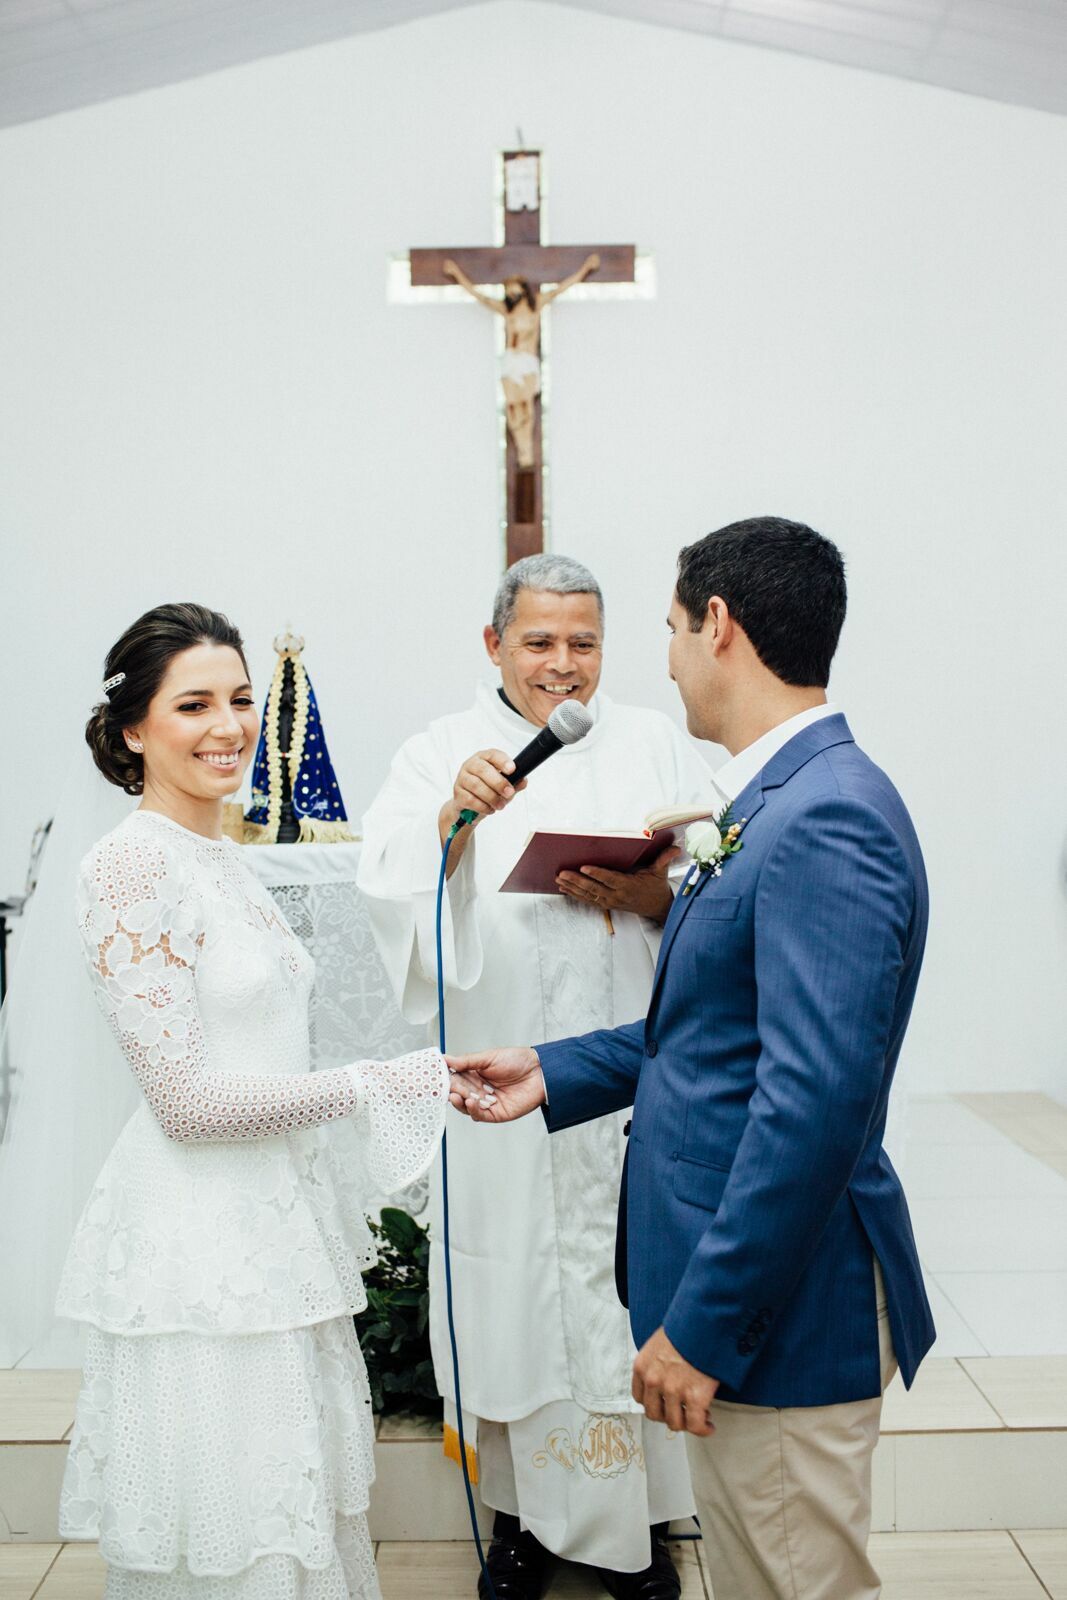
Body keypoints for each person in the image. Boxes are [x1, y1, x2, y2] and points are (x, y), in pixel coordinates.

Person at [448, 518, 937, 1600]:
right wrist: (555, 1068)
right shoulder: (769, 800)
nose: (664, 658)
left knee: (791, 1581)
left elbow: (807, 1108)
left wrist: (704, 1325)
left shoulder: (821, 818)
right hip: (758, 1301)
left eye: (669, 628)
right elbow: (719, 1031)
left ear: (717, 626)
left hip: (777, 1316)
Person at [60, 602, 465, 1600]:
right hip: (200, 1251)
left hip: (271, 1225)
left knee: (289, 1516)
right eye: (192, 704)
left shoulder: (223, 857)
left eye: (240, 699)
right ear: (132, 731)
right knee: (230, 1527)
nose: (229, 725)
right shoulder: (130, 862)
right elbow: (186, 1101)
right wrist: (373, 1084)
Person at [358, 555, 716, 1599]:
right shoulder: (439, 751)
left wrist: (653, 893)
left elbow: (719, 887)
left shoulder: (653, 739)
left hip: (622, 1091)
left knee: (621, 1298)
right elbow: (395, 893)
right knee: (510, 1293)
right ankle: (516, 1521)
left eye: (584, 642)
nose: (564, 664)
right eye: (539, 641)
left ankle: (642, 1529)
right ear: (493, 645)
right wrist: (449, 827)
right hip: (501, 1084)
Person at [443, 256, 600, 467]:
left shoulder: (536, 307)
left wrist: (586, 268)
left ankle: (527, 451)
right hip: (511, 361)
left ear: (523, 290)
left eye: (514, 290)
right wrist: (456, 273)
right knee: (513, 408)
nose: (511, 294)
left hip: (527, 361)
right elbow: (479, 297)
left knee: (526, 406)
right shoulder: (506, 312)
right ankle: (521, 449)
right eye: (508, 291)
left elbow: (563, 287)